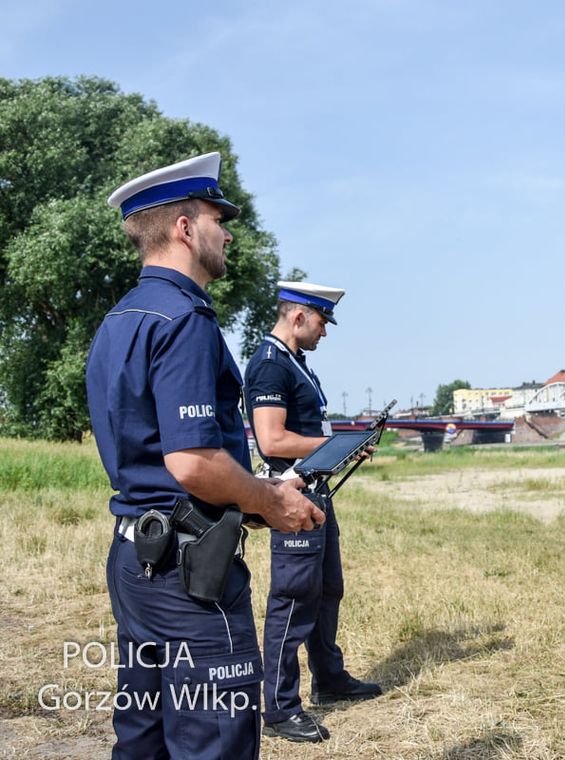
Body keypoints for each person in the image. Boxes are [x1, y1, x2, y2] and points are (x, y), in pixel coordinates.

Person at [87, 152, 325, 758]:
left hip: (135, 559)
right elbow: (192, 462)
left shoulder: (119, 320)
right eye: (219, 219)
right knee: (214, 740)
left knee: (142, 736)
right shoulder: (186, 319)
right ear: (185, 229)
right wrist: (268, 499)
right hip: (190, 580)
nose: (228, 232)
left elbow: (143, 449)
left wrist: (242, 500)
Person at [245, 281, 383, 743]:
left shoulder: (295, 365)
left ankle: (330, 678)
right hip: (291, 495)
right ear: (299, 316)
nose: (326, 331)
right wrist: (336, 443)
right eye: (322, 321)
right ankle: (280, 709)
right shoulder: (268, 367)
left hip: (317, 492)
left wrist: (346, 447)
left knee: (327, 591)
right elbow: (273, 441)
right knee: (293, 600)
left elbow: (307, 434)